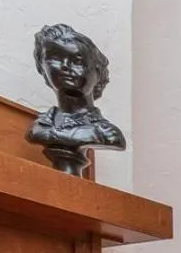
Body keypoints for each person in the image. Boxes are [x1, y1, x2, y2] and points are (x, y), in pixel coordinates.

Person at [26, 24, 126, 176]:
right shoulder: (39, 126)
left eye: (77, 60)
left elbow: (114, 140)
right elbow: (35, 134)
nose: (65, 66)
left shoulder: (106, 133)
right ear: (42, 68)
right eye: (55, 58)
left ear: (97, 72)